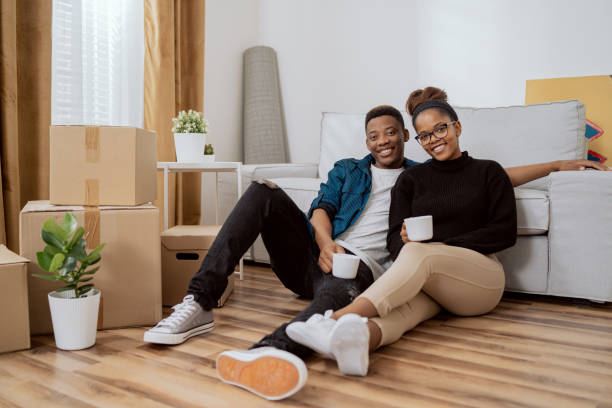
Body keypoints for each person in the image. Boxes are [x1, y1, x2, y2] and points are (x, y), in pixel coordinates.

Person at [144, 98, 607, 400]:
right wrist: (325, 243)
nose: (384, 140)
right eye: (374, 135)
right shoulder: (353, 169)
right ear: (366, 141)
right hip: (319, 252)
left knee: (340, 287)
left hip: (362, 270)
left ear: (408, 137)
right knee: (263, 189)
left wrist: (555, 164)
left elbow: (483, 178)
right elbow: (322, 207)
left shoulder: (419, 175)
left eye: (395, 132)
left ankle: (273, 351)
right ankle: (199, 301)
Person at [285, 86, 608, 379]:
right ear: (418, 140)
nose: (435, 138)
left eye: (440, 128)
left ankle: (334, 318)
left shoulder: (488, 172)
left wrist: (437, 246)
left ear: (457, 127)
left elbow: (503, 234)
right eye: (425, 135)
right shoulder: (410, 180)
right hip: (431, 282)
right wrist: (414, 248)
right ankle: (357, 343)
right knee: (403, 313)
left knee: (418, 252)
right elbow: (394, 241)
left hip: (479, 280)